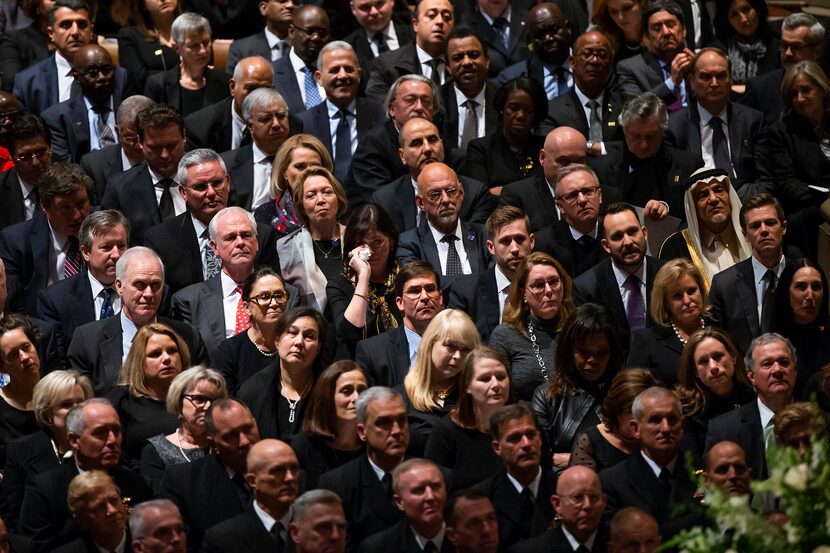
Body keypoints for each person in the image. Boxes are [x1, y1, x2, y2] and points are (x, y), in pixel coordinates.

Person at [67, 247, 208, 396]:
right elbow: (81, 402)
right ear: (119, 286)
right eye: (140, 285)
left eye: (155, 285)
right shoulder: (88, 339)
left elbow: (203, 391)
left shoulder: (187, 336)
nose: (148, 294)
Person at [20, 399, 152, 552]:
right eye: (100, 433)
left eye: (116, 430)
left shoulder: (137, 484)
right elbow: (38, 547)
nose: (112, 440)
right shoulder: (44, 489)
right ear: (74, 440)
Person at [143, 148, 280, 294]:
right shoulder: (161, 241)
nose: (211, 193)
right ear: (183, 192)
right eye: (200, 187)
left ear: (227, 182)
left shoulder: (260, 234)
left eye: (216, 182)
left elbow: (272, 290)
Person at [170, 205, 276, 358]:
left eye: (246, 235)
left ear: (257, 242)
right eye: (230, 237)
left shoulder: (287, 295)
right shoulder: (189, 301)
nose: (240, 243)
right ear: (214, 247)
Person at [160, 397, 261, 550]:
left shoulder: (285, 468)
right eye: (231, 435)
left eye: (248, 429)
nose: (244, 441)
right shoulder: (184, 482)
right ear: (213, 441)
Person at [317, 387, 409, 553]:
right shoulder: (337, 484)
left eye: (402, 420)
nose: (396, 431)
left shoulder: (434, 479)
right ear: (362, 431)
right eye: (384, 423)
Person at [599, 387, 700, 537]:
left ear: (682, 426)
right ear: (635, 428)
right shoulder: (613, 482)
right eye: (655, 420)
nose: (665, 428)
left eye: (672, 419)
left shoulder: (705, 473)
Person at [532, 303, 622, 469]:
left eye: (601, 353)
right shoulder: (547, 396)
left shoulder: (624, 396)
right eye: (584, 352)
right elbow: (539, 458)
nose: (592, 360)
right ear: (569, 350)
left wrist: (574, 459)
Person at [1, 370, 92, 531]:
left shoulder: (100, 443)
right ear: (47, 412)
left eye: (81, 402)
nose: (77, 410)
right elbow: (13, 515)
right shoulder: (20, 451)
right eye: (66, 404)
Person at [371, 117, 496, 235]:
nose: (427, 149)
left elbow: (475, 240)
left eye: (432, 140)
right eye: (416, 143)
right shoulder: (385, 200)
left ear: (442, 145)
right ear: (402, 155)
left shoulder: (475, 193)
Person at [665, 48, 767, 190]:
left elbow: (766, 178)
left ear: (730, 79)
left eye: (721, 75)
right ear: (692, 81)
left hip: (745, 200)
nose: (714, 83)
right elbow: (672, 183)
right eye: (706, 77)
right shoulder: (674, 127)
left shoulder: (752, 121)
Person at [708, 193, 796, 354]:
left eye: (770, 223)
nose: (764, 230)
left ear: (783, 228)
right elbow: (717, 345)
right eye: (755, 226)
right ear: (746, 235)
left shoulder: (803, 276)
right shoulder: (724, 285)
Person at [573, 203, 667, 353]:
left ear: (644, 233)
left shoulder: (668, 275)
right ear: (606, 245)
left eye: (632, 232)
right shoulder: (587, 287)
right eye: (618, 237)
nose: (628, 242)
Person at [591, 93, 703, 218]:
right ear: (624, 131)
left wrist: (666, 208)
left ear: (663, 130)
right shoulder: (601, 170)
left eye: (650, 137)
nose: (643, 145)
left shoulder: (689, 166)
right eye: (636, 136)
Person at [0, 162, 91, 316]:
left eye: (81, 203)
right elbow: (15, 307)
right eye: (65, 208)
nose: (77, 215)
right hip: (42, 326)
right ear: (44, 206)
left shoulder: (105, 230)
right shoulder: (16, 242)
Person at [705, 333, 798, 480]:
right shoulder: (723, 430)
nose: (777, 370)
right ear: (752, 377)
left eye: (784, 362)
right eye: (767, 364)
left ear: (795, 371)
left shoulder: (821, 423)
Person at [36, 211, 129, 358]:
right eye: (106, 247)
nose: (116, 254)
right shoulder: (55, 300)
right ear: (86, 252)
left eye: (121, 246)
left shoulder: (146, 292)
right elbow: (58, 362)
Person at [763, 61, 830, 260]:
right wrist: (823, 195)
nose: (800, 99)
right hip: (809, 205)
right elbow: (788, 183)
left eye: (806, 90)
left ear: (822, 90)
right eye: (793, 93)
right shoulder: (782, 131)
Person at [296, 42, 386, 185]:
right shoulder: (304, 123)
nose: (343, 75)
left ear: (359, 74)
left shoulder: (379, 114)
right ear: (319, 78)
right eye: (334, 70)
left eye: (349, 69)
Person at [424, 346, 514, 488]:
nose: (496, 384)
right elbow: (434, 487)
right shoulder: (446, 431)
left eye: (501, 377)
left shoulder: (523, 424)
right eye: (485, 379)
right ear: (467, 386)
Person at [490, 252, 573, 401]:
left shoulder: (577, 330)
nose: (548, 291)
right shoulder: (505, 335)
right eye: (538, 285)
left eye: (554, 282)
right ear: (523, 294)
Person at [101, 103, 187, 245]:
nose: (164, 155)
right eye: (155, 148)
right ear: (140, 142)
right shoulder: (120, 189)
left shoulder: (206, 179)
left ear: (184, 137)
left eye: (171, 145)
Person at [238, 306, 327, 441]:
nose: (298, 342)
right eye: (292, 333)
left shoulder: (329, 392)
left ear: (318, 348)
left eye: (309, 336)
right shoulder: (252, 391)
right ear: (277, 341)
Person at [446, 206, 534, 341]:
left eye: (520, 239)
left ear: (532, 241)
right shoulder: (466, 291)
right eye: (505, 241)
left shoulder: (547, 285)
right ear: (491, 247)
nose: (515, 249)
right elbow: (456, 342)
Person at [475, 403, 556, 550]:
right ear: (497, 447)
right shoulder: (483, 498)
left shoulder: (563, 490)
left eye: (531, 435)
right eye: (514, 438)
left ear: (540, 438)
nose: (526, 444)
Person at [349, 74, 440, 203]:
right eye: (410, 100)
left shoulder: (439, 142)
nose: (419, 107)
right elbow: (381, 199)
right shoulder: (373, 144)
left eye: (426, 101)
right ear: (392, 109)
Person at [400, 309, 479, 457]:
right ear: (430, 345)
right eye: (450, 346)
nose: (457, 356)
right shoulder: (400, 397)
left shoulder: (473, 397)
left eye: (465, 350)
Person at [657, 167, 752, 289]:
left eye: (719, 190)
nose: (713, 199)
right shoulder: (675, 248)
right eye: (703, 195)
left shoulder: (753, 234)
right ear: (693, 207)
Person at [327, 204, 402, 356]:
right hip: (357, 367)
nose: (370, 252)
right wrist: (363, 277)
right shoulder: (339, 284)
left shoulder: (406, 279)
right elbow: (349, 333)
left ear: (391, 241)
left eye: (377, 242)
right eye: (361, 244)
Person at [397, 162, 491, 282]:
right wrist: (476, 283)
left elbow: (494, 282)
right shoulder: (408, 244)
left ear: (461, 193)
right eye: (435, 194)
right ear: (421, 202)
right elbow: (421, 286)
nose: (446, 200)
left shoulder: (484, 235)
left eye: (451, 191)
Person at [355, 261, 444, 387]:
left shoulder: (458, 346)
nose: (424, 297)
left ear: (440, 298)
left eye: (430, 289)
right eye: (415, 291)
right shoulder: (373, 352)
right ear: (400, 303)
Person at [202, 439, 300, 553]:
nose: (290, 478)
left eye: (294, 468)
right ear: (253, 481)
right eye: (278, 470)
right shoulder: (223, 539)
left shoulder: (315, 527)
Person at [108, 323, 189, 462]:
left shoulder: (196, 398)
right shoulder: (122, 400)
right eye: (155, 354)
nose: (166, 358)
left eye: (172, 351)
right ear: (139, 362)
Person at [140, 366, 227, 493]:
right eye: (199, 399)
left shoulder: (226, 446)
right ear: (178, 402)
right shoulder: (155, 450)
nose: (208, 406)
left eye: (215, 400)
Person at [277, 166, 348, 314]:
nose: (320, 200)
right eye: (311, 195)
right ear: (301, 205)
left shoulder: (356, 239)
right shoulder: (286, 248)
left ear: (338, 198)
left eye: (327, 192)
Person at [675, 327, 755, 458]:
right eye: (703, 361)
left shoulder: (753, 395)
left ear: (733, 357)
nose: (713, 367)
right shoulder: (685, 409)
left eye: (718, 357)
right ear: (695, 371)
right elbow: (693, 462)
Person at [41, 44, 128, 163]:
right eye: (93, 72)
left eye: (106, 69)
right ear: (77, 78)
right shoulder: (57, 117)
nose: (102, 77)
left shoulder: (130, 108)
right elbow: (65, 166)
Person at [628, 259, 709, 386]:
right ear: (665, 303)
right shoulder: (647, 341)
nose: (687, 300)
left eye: (692, 291)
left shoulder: (719, 326)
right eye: (677, 296)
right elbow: (633, 392)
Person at [212, 267, 292, 395]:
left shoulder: (296, 344)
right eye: (264, 297)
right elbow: (225, 403)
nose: (274, 303)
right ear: (246, 307)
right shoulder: (229, 351)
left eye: (279, 295)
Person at [540, 30, 625, 149]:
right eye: (587, 53)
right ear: (572, 62)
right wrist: (602, 148)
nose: (595, 60)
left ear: (610, 65)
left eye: (602, 55)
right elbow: (555, 152)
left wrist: (587, 148)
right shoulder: (552, 111)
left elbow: (630, 148)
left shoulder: (625, 107)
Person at [291, 361, 369, 488]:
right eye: (346, 391)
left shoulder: (374, 445)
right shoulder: (303, 448)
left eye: (362, 390)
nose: (356, 397)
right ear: (327, 397)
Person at [464, 76, 548, 194]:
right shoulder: (481, 148)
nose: (520, 116)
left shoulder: (546, 147)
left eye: (528, 110)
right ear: (502, 109)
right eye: (513, 108)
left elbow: (550, 191)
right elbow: (479, 196)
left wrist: (502, 191)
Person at [12, 0, 95, 116]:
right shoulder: (27, 82)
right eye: (66, 25)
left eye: (81, 24)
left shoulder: (118, 77)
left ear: (91, 31)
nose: (75, 32)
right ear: (51, 33)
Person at [534, 163, 616, 279]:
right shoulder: (544, 245)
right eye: (572, 196)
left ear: (600, 196)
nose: (582, 200)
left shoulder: (617, 233)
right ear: (559, 206)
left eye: (588, 191)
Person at [498, 126, 587, 233]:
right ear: (542, 158)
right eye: (563, 161)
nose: (572, 169)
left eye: (579, 162)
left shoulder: (604, 195)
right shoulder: (517, 196)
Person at [570, 367, 659, 473]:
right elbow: (581, 488)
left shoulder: (659, 439)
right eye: (632, 411)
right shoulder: (591, 441)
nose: (640, 420)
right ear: (616, 408)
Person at [364, 0, 455, 102]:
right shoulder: (387, 65)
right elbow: (376, 109)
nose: (440, 21)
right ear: (415, 24)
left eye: (446, 17)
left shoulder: (460, 65)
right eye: (431, 15)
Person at [144, 12, 231, 117]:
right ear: (176, 48)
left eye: (206, 42)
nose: (203, 51)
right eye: (194, 46)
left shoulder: (225, 82)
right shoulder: (158, 86)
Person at [743, 12, 824, 122]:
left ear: (817, 52)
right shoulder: (759, 89)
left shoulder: (826, 86)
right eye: (784, 45)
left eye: (796, 47)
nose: (788, 53)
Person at [184, 55, 276, 153]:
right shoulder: (199, 128)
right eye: (251, 88)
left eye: (265, 89)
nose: (258, 96)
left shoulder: (284, 126)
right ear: (232, 87)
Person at [507, 465, 609, 553]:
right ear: (557, 504)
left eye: (594, 497)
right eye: (578, 498)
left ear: (603, 502)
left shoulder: (620, 544)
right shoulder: (531, 550)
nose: (587, 505)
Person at [221, 87, 292, 211]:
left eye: (281, 116)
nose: (276, 124)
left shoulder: (303, 157)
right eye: (266, 119)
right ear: (250, 126)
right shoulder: (227, 165)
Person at [359, 459, 452, 553]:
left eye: (436, 486)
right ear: (400, 502)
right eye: (419, 490)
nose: (430, 496)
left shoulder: (464, 537)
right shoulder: (377, 548)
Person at [616, 0, 694, 110]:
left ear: (684, 30)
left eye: (671, 25)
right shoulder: (630, 69)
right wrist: (671, 83)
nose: (666, 32)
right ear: (647, 36)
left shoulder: (700, 64)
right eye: (657, 28)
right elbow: (632, 110)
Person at [253, 134, 333, 238]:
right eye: (300, 166)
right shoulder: (266, 214)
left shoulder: (338, 211)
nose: (307, 173)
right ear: (284, 172)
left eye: (315, 166)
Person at [79, 95, 154, 204]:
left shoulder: (169, 161)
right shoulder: (94, 166)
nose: (139, 146)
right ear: (118, 132)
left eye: (144, 138)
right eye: (130, 138)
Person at [772, 259, 830, 395]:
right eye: (801, 287)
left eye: (816, 287)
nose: (810, 296)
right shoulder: (773, 343)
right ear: (787, 292)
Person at [496, 3, 573, 102]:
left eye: (554, 30)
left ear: (568, 28)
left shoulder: (591, 64)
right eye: (540, 34)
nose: (548, 39)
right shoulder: (512, 79)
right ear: (531, 40)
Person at [440, 28, 499, 153]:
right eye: (457, 57)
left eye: (474, 55)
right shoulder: (437, 102)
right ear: (448, 67)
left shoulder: (502, 99)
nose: (466, 62)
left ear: (487, 61)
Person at [0, 314, 41, 467]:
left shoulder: (57, 397)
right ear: (3, 366)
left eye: (26, 347)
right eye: (14, 354)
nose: (24, 357)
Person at [272, 6, 330, 113]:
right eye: (309, 31)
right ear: (292, 32)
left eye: (322, 33)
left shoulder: (337, 72)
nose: (316, 37)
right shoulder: (272, 73)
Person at [115, 0, 180, 95]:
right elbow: (139, 79)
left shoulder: (193, 30)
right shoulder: (129, 36)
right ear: (143, 5)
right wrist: (183, 74)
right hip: (151, 101)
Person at [0, 113, 52, 232]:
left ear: (51, 148)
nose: (35, 162)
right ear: (11, 157)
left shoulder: (71, 182)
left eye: (41, 152)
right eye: (25, 156)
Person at [712, 0, 778, 94]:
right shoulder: (718, 50)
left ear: (758, 10)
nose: (743, 19)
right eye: (734, 14)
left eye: (746, 10)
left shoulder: (777, 46)